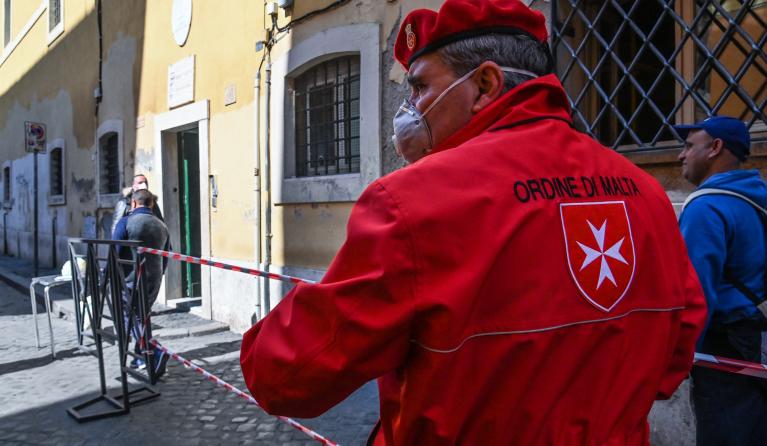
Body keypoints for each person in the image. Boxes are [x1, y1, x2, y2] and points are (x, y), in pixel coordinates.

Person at [240, 1, 706, 444]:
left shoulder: (411, 203)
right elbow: (676, 353)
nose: (411, 110)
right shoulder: (643, 191)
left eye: (420, 87)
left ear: (484, 84)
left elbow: (286, 377)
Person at [675, 116, 767, 446]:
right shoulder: (758, 195)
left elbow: (695, 292)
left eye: (688, 146)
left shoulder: (706, 206)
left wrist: (680, 357)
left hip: (722, 347)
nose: (680, 156)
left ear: (716, 148)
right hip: (757, 338)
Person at [112, 188, 170, 378]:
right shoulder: (162, 226)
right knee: (142, 317)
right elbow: (166, 255)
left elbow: (115, 251)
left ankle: (154, 351)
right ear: (152, 204)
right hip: (154, 279)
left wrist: (108, 275)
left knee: (131, 317)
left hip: (130, 280)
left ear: (134, 203)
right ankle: (142, 358)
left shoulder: (126, 222)